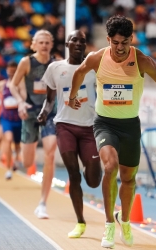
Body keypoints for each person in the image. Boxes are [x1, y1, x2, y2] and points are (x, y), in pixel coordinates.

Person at [68, 15, 156, 248]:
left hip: (130, 127)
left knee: (128, 179)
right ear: (108, 39)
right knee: (110, 166)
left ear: (131, 39)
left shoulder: (142, 61)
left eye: (125, 42)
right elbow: (79, 73)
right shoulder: (97, 58)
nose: (120, 48)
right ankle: (108, 226)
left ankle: (124, 220)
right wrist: (72, 96)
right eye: (115, 42)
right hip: (104, 123)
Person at [37, 30, 102, 238]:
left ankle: (90, 168)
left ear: (85, 46)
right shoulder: (55, 68)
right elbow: (49, 99)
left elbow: (103, 94)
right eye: (74, 40)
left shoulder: (93, 68)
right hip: (65, 126)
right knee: (73, 174)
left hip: (89, 128)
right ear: (67, 44)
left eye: (83, 41)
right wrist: (43, 113)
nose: (78, 43)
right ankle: (80, 221)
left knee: (93, 180)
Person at [9, 30, 56, 219]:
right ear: (33, 44)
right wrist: (20, 102)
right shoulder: (26, 62)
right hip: (30, 112)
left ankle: (43, 203)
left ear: (51, 44)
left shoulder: (56, 64)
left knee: (50, 153)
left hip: (49, 113)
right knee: (28, 162)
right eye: (41, 42)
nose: (44, 45)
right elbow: (13, 85)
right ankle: (22, 157)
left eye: (47, 42)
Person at [0, 61, 24, 180]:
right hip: (6, 118)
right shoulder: (2, 84)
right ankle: (9, 169)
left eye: (14, 70)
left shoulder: (20, 83)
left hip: (18, 118)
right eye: (10, 70)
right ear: (7, 71)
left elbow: (24, 96)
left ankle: (16, 160)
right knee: (8, 139)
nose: (11, 72)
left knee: (17, 144)